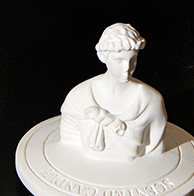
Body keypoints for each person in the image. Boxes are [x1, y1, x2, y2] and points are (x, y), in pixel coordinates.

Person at [60, 23, 167, 161]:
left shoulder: (151, 101)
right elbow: (68, 147)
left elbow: (156, 154)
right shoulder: (79, 97)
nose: (127, 68)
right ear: (102, 57)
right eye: (119, 60)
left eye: (133, 60)